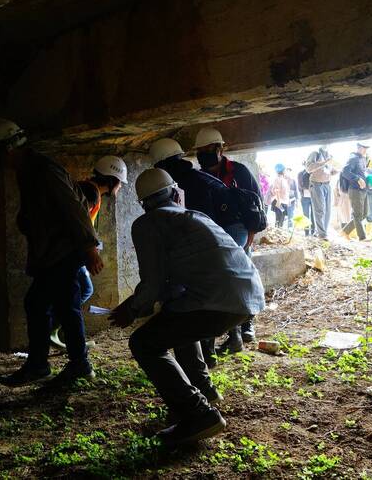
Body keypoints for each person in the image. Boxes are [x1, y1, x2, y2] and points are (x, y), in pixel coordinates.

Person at [108, 168, 265, 445]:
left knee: (144, 343)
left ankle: (198, 414)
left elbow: (153, 282)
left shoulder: (148, 224)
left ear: (144, 203)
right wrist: (141, 303)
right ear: (174, 193)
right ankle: (204, 389)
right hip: (247, 296)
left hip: (218, 302)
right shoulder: (193, 216)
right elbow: (169, 288)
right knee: (176, 315)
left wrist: (133, 308)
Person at [0, 118, 110, 387]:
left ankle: (73, 365)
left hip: (62, 254)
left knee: (63, 307)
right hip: (52, 254)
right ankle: (45, 365)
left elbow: (74, 209)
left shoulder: (43, 171)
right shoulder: (30, 171)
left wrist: (89, 248)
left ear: (5, 148)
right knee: (41, 304)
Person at [149, 137, 245, 364]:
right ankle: (235, 338)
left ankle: (207, 352)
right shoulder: (199, 176)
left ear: (161, 164)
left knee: (202, 291)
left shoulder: (182, 184)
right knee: (222, 286)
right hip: (231, 235)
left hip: (219, 237)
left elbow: (196, 223)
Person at [192, 127, 263, 351]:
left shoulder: (239, 172)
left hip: (239, 234)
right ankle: (231, 333)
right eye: (200, 150)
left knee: (242, 278)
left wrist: (251, 234)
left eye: (208, 149)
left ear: (219, 149)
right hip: (213, 235)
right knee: (223, 280)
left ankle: (246, 326)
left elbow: (256, 203)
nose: (203, 153)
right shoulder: (198, 176)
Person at [49, 157, 128, 351]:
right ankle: (53, 329)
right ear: (112, 180)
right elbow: (77, 224)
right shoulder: (90, 193)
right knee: (83, 291)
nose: (120, 187)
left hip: (68, 251)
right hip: (70, 253)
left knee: (78, 292)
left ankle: (58, 330)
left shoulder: (87, 188)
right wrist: (89, 251)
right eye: (120, 182)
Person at [339, 143, 369, 241]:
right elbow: (345, 171)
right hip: (355, 190)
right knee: (358, 215)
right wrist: (357, 179)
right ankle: (362, 237)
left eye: (366, 148)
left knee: (364, 214)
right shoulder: (353, 158)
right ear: (358, 148)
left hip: (364, 190)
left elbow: (362, 172)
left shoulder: (363, 159)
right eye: (364, 148)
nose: (365, 150)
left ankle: (345, 231)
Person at [305, 146, 336, 239]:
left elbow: (328, 171)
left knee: (328, 211)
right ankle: (321, 234)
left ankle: (323, 232)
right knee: (320, 210)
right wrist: (324, 162)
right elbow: (309, 168)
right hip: (317, 184)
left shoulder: (330, 155)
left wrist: (335, 171)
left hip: (327, 184)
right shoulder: (315, 154)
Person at [270, 163, 290, 228]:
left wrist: (287, 201)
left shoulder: (283, 179)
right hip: (279, 202)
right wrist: (278, 201)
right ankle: (277, 235)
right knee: (279, 220)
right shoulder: (278, 179)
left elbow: (286, 192)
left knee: (282, 220)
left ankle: (279, 234)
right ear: (283, 171)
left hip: (283, 202)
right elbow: (276, 190)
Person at [297, 165, 314, 236]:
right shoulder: (301, 173)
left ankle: (313, 231)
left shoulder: (314, 172)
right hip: (305, 197)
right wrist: (308, 187)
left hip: (313, 197)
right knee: (306, 215)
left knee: (314, 215)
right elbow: (299, 185)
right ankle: (306, 232)